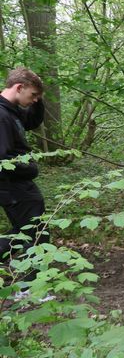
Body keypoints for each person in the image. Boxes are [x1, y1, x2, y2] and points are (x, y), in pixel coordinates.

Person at [0, 68, 48, 293]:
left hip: (17, 185)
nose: (34, 100)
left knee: (24, 232)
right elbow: (2, 158)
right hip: (12, 186)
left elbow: (32, 122)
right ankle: (29, 290)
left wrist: (39, 99)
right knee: (35, 232)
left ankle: (29, 287)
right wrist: (29, 167)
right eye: (33, 95)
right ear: (19, 88)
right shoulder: (1, 115)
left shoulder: (12, 111)